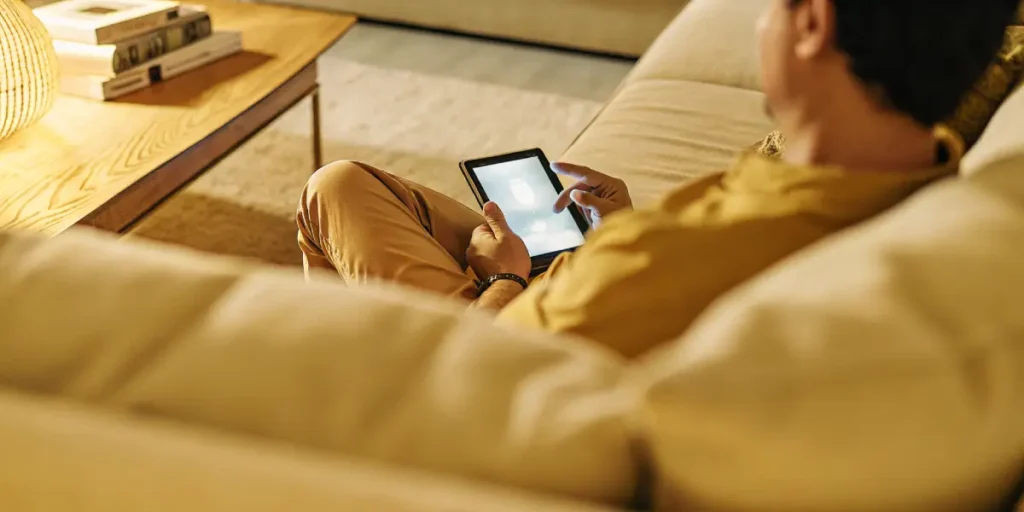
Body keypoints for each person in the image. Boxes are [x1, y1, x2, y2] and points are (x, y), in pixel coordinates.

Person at [296, 0, 1020, 358]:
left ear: (811, 27)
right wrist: (629, 222)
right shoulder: (927, 173)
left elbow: (490, 366)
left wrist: (502, 280)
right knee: (348, 186)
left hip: (507, 344)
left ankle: (346, 397)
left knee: (330, 196)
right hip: (598, 287)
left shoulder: (665, 263)